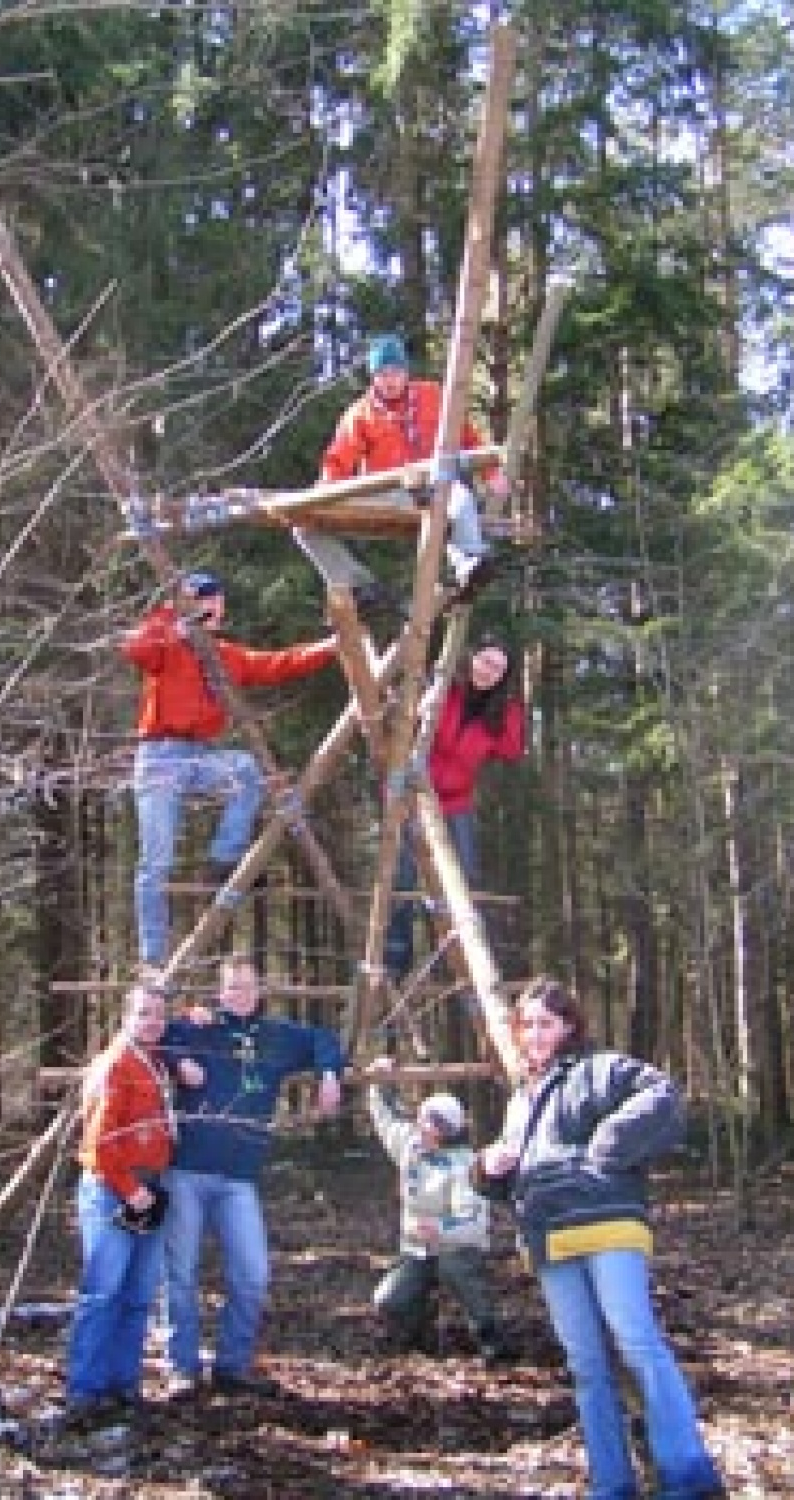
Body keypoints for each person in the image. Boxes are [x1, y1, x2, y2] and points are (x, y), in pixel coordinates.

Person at [475, 977, 727, 1500]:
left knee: (636, 1342)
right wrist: (489, 1168)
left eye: (546, 1023)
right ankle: (611, 1483)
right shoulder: (522, 1100)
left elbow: (660, 1094)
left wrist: (604, 1150)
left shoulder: (599, 1070)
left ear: (568, 1026)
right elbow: (508, 1178)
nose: (535, 1034)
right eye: (527, 1025)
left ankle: (687, 1475)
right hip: (549, 1237)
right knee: (587, 1364)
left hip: (606, 1222)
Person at [121, 570, 339, 968]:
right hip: (159, 758)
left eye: (216, 599)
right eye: (204, 599)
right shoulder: (167, 645)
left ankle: (224, 858)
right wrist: (171, 622)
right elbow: (135, 649)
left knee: (243, 770)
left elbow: (277, 663)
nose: (213, 606)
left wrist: (331, 647)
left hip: (199, 755)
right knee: (156, 861)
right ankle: (152, 958)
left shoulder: (225, 656)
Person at [161, 952, 344, 1398]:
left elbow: (324, 1038)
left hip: (239, 1178)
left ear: (258, 990)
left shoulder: (276, 1037)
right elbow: (157, 1035)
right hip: (187, 1170)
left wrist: (329, 1074)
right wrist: (180, 1059)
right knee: (180, 1274)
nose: (239, 995)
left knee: (252, 1273)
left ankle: (232, 1365)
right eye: (231, 987)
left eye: (247, 986)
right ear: (219, 992)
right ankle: (182, 1369)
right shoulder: (201, 1027)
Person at [61, 983, 178, 1432]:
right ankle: (85, 1391)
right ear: (126, 1017)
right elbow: (98, 1142)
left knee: (138, 1293)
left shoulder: (154, 1061)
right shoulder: (115, 1066)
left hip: (151, 1189)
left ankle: (124, 1385)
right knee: (103, 1291)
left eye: (158, 1015)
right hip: (114, 1189)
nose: (152, 1022)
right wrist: (129, 1189)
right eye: (143, 1014)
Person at [319, 332, 509, 601]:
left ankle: (469, 566)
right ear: (373, 378)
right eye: (382, 374)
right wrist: (325, 489)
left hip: (437, 486)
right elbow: (338, 459)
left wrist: (491, 473)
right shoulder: (360, 414)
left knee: (460, 500)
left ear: (406, 371)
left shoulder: (433, 396)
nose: (390, 380)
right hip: (389, 493)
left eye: (395, 371)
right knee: (303, 525)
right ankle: (356, 584)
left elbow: (467, 437)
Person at [384, 633, 526, 985]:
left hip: (456, 801)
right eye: (486, 661)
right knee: (403, 880)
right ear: (471, 657)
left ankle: (459, 958)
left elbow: (511, 750)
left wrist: (511, 707)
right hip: (415, 796)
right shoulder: (444, 686)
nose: (489, 672)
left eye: (498, 669)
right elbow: (405, 718)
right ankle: (394, 963)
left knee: (464, 880)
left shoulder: (499, 711)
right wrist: (428, 696)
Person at [365, 1056, 512, 1365]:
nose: (424, 1128)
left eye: (433, 1124)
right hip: (417, 1249)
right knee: (389, 1300)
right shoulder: (410, 1146)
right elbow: (385, 1119)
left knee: (459, 1275)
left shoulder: (465, 1164)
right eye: (424, 1120)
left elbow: (473, 1220)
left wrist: (441, 1230)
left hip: (458, 1248)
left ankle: (491, 1338)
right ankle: (419, 1330)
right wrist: (380, 1083)